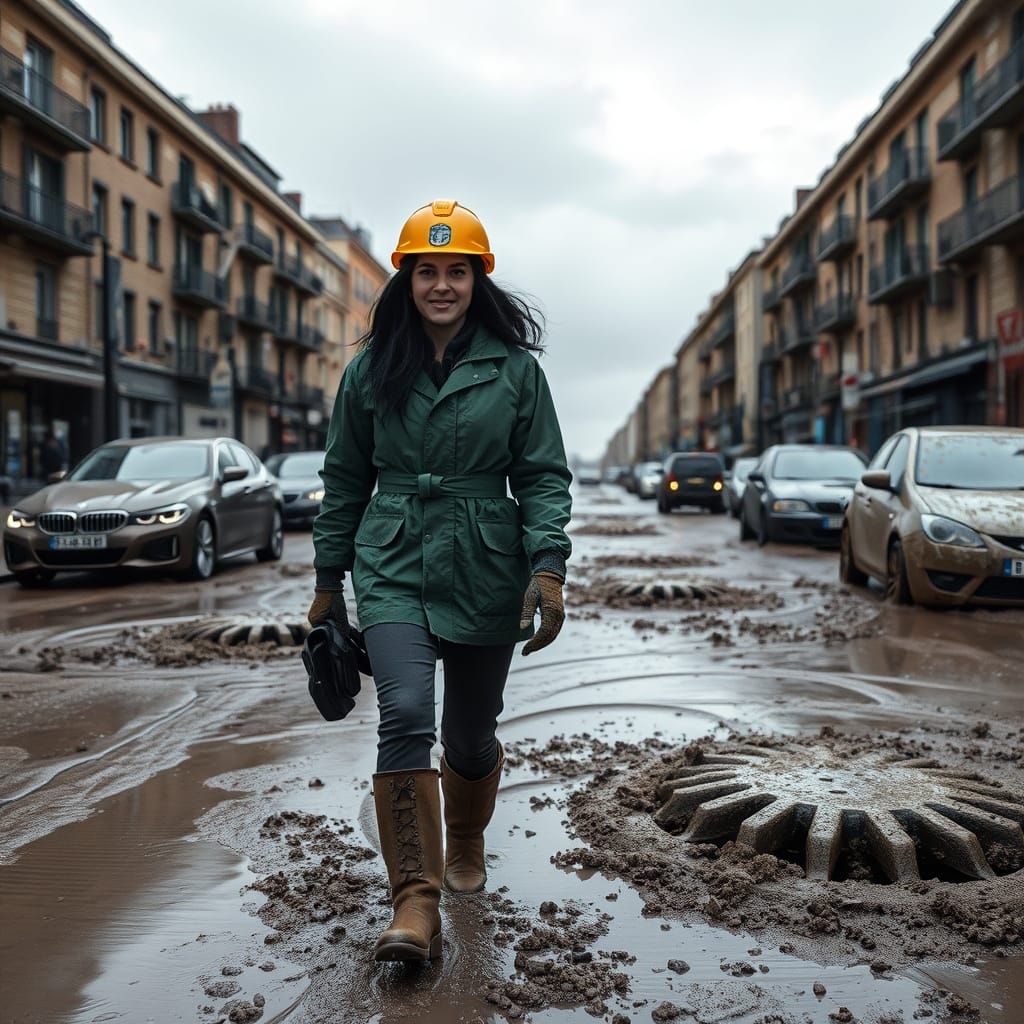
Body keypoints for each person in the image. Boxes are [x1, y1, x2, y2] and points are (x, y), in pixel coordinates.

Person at [309, 200, 572, 963]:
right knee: (404, 715)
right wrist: (330, 580)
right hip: (391, 558)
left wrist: (548, 565)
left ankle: (467, 838)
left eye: (457, 270)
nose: (442, 284)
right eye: (428, 271)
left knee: (469, 733)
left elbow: (544, 476)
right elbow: (344, 478)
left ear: (477, 278)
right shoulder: (369, 369)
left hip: (488, 562)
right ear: (407, 278)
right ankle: (413, 903)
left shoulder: (517, 371)